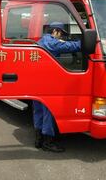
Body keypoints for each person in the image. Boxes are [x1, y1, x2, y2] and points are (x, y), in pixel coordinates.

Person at [33, 21, 81, 152]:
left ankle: (38, 139)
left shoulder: (41, 40)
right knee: (49, 111)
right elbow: (72, 46)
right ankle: (48, 142)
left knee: (38, 110)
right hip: (47, 83)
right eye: (61, 34)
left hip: (36, 81)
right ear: (56, 31)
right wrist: (89, 41)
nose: (62, 37)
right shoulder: (52, 42)